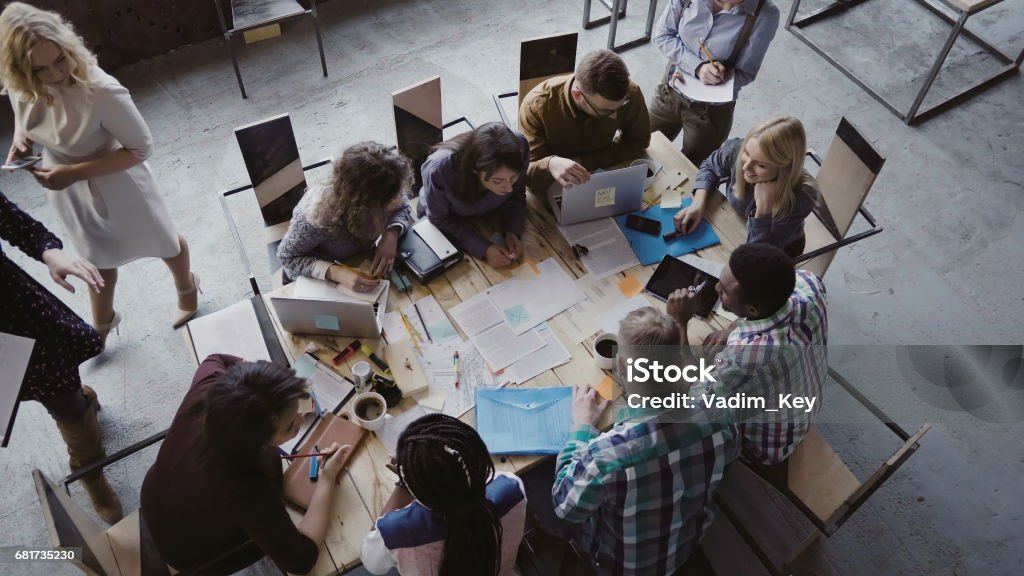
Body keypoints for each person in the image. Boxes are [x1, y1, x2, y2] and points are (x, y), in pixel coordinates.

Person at [0, 3, 200, 345]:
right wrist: (22, 136)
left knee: (163, 240)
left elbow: (140, 148)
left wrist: (75, 172)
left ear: (68, 46)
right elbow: (24, 107)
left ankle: (187, 289)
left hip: (117, 178)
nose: (54, 75)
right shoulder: (22, 82)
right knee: (97, 257)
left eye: (60, 60)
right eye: (40, 70)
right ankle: (103, 320)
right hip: (67, 187)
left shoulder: (101, 90)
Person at [545, 307, 739, 575]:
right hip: (685, 546)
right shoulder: (722, 414)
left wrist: (581, 426)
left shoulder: (606, 456)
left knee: (542, 493)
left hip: (623, 566)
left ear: (622, 366)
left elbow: (565, 508)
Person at [141, 355, 349, 574]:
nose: (301, 419)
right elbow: (300, 561)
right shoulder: (246, 484)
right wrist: (326, 479)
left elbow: (216, 358)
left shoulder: (210, 387)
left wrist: (264, 379)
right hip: (189, 551)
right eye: (290, 426)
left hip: (157, 493)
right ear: (256, 440)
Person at [0, 190, 121, 523]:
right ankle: (81, 402)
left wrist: (49, 252)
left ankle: (91, 474)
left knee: (62, 398)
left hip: (13, 313)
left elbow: (15, 223)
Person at [667, 243, 828, 465]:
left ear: (753, 310)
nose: (715, 289)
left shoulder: (747, 356)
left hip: (769, 444)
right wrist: (734, 327)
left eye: (723, 290)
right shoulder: (810, 284)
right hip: (807, 404)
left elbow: (693, 401)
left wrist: (680, 323)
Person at [361, 414, 527, 576]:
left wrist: (404, 485)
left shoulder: (395, 532)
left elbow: (371, 562)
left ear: (418, 490)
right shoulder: (512, 489)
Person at [649, 0, 781, 165]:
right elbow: (663, 35)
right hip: (669, 92)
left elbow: (746, 72)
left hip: (709, 113)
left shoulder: (765, 14)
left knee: (692, 170)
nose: (723, 5)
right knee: (644, 147)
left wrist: (720, 76)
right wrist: (697, 67)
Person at [673, 116, 820, 257]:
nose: (746, 167)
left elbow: (757, 257)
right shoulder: (736, 149)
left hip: (779, 250)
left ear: (784, 169)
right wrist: (697, 204)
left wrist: (763, 212)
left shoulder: (803, 196)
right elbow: (710, 166)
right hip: (735, 224)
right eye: (747, 153)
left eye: (761, 165)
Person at [277, 141, 413, 291]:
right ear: (362, 202)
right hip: (315, 279)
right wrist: (336, 273)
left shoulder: (388, 184)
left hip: (359, 261)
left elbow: (403, 206)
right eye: (390, 199)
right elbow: (287, 257)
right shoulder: (316, 216)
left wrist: (391, 234)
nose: (400, 201)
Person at [519, 49, 651, 193]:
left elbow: (639, 142)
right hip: (554, 182)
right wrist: (550, 164)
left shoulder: (629, 93)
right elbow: (526, 174)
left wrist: (582, 161)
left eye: (622, 105)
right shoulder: (537, 106)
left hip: (604, 171)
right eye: (606, 111)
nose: (615, 116)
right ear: (577, 95)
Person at [420, 122, 530, 269]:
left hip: (494, 214)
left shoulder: (519, 146)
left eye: (513, 177)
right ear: (475, 169)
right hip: (451, 220)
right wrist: (483, 248)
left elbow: (517, 193)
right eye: (498, 181)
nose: (509, 188)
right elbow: (439, 217)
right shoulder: (439, 169)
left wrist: (513, 230)